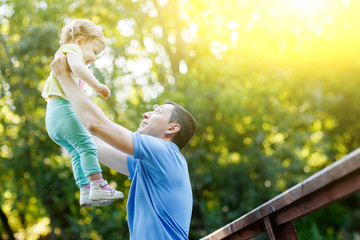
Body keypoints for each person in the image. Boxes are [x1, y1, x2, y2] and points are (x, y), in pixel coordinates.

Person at [50, 54, 197, 239]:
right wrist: (60, 106)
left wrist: (65, 78)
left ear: (173, 128)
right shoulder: (145, 165)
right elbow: (94, 144)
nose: (145, 114)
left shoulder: (165, 152)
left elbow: (96, 125)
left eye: (158, 111)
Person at [42, 19, 123, 207]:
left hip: (53, 119)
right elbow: (79, 68)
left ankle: (85, 190)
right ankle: (98, 184)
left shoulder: (66, 56)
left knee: (77, 153)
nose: (94, 58)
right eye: (94, 51)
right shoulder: (71, 50)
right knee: (87, 145)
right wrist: (97, 85)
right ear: (79, 41)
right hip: (62, 110)